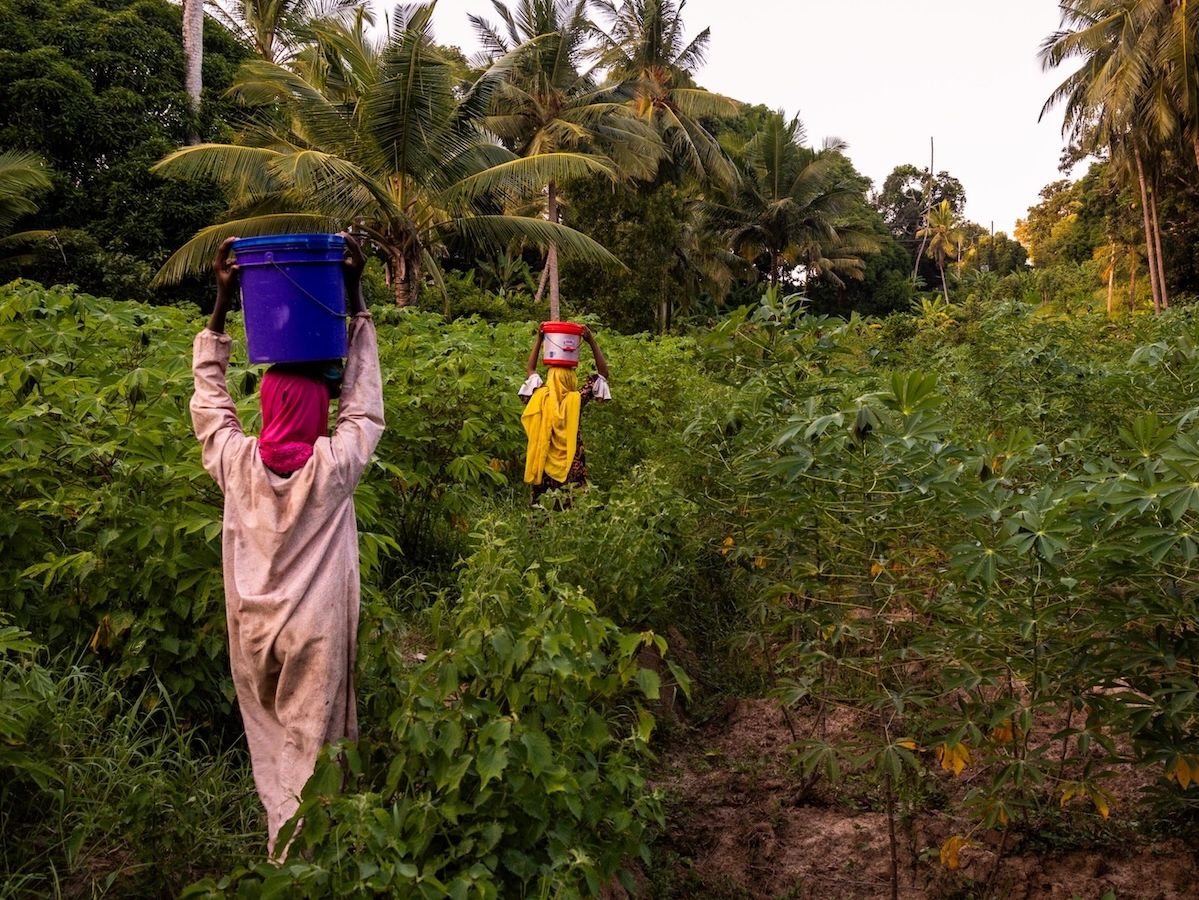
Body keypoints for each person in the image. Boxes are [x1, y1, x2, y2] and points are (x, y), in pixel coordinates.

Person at [189, 233, 384, 857]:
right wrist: (354, 296)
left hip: (251, 627)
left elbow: (210, 402)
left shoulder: (237, 463)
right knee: (317, 745)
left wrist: (221, 306)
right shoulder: (331, 466)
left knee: (270, 737)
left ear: (268, 408)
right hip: (316, 630)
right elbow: (364, 407)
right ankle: (311, 860)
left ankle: (281, 846)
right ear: (317, 411)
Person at [519, 325, 610, 505]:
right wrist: (591, 340)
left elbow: (531, 370)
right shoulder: (576, 399)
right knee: (571, 512)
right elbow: (603, 374)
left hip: (543, 465)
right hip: (572, 466)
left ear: (551, 377)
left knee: (543, 512)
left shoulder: (540, 396)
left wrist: (540, 339)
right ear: (571, 380)